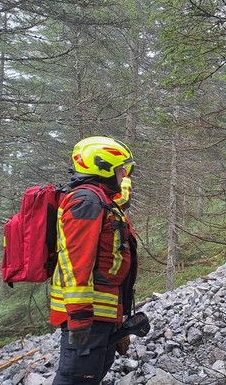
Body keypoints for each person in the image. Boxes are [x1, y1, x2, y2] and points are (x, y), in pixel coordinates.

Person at [50, 136, 138, 385]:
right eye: (122, 169)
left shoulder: (101, 199)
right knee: (75, 379)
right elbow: (75, 260)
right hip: (87, 316)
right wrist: (79, 318)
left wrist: (117, 319)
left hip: (102, 314)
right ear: (103, 167)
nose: (125, 174)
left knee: (91, 376)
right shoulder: (85, 202)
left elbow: (121, 201)